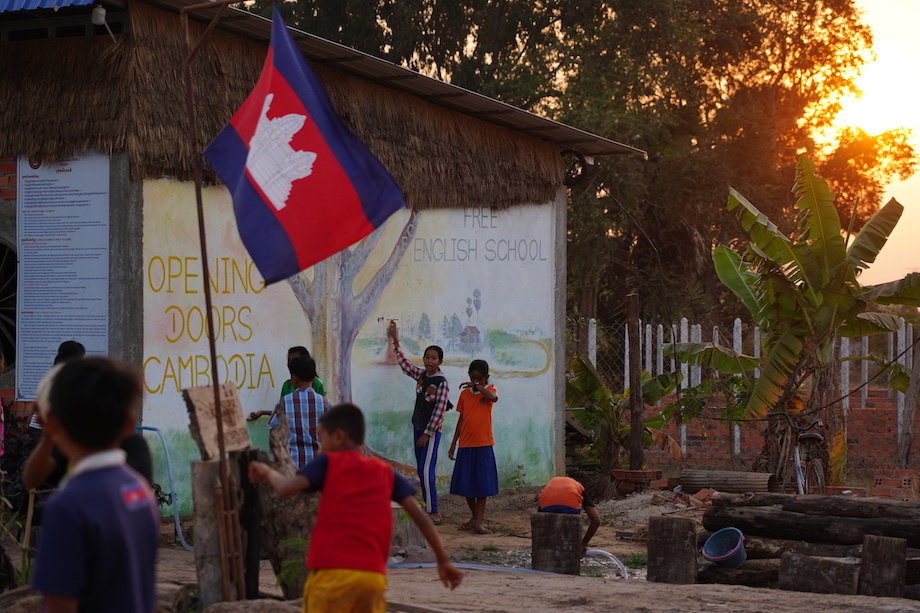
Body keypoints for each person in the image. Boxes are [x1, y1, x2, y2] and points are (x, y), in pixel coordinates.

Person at [249, 403, 463, 613]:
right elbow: (421, 517)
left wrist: (267, 472)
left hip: (331, 575)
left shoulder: (327, 463)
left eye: (321, 439)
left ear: (338, 437)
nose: (320, 447)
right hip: (371, 579)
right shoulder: (384, 472)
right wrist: (443, 560)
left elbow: (287, 488)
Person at [31, 357, 159, 613]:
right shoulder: (140, 490)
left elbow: (59, 605)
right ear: (128, 425)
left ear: (52, 422)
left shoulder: (67, 506)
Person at [388, 320, 449, 524]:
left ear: (440, 360)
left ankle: (434, 512)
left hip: (429, 433)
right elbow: (406, 366)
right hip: (418, 428)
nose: (429, 361)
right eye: (427, 357)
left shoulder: (441, 383)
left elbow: (439, 411)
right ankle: (428, 508)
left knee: (425, 470)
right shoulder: (422, 376)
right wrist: (395, 341)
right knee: (422, 469)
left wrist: (427, 434)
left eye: (434, 358)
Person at [249, 356, 331, 469]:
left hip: (292, 467)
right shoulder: (326, 404)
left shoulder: (284, 402)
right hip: (319, 468)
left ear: (295, 378)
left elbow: (274, 433)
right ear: (313, 377)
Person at [448, 359, 499, 534]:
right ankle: (474, 518)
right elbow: (461, 420)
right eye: (473, 377)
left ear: (486, 378)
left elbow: (493, 398)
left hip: (484, 444)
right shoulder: (464, 395)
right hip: (466, 445)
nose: (476, 381)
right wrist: (454, 442)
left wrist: (478, 387)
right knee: (467, 485)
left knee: (483, 486)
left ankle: (478, 522)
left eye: (479, 378)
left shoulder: (489, 391)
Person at [537, 476, 601, 551]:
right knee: (571, 529)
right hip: (570, 508)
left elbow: (539, 522)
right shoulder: (579, 487)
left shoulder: (550, 485)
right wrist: (583, 544)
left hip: (547, 506)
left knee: (547, 529)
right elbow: (596, 520)